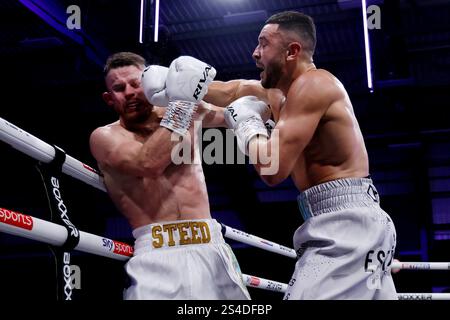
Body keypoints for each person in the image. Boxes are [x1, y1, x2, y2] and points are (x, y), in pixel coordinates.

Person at [199, 11, 398, 299]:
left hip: (346, 223)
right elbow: (233, 91)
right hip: (346, 220)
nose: (255, 53)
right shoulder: (280, 93)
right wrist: (173, 82)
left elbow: (271, 169)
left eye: (263, 44)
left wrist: (248, 124)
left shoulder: (314, 85)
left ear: (292, 51)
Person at [89, 52, 250, 300]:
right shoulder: (105, 137)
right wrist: (182, 102)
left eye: (136, 83)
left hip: (211, 245)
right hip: (157, 255)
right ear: (109, 99)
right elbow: (149, 163)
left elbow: (243, 113)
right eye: (119, 89)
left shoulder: (186, 110)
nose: (130, 92)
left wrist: (196, 89)